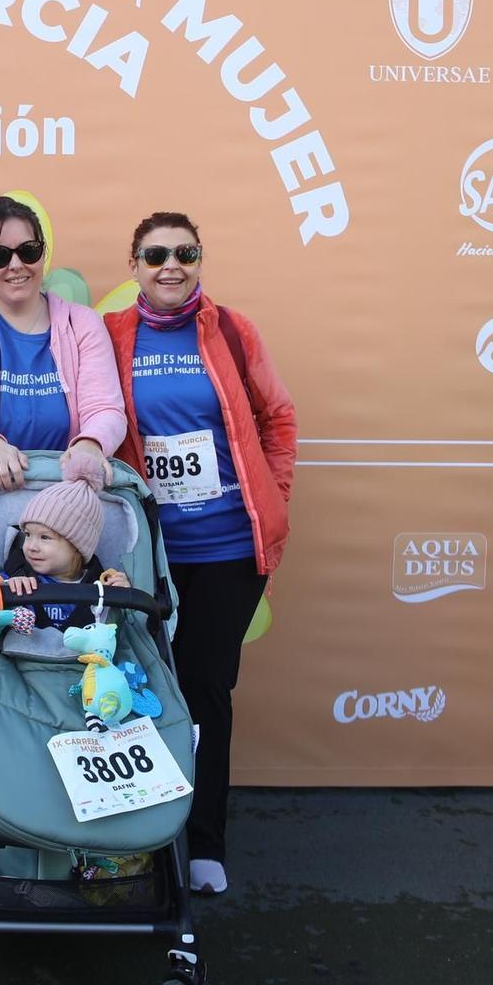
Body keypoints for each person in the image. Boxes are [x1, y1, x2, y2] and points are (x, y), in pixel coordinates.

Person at [102, 212, 296, 896]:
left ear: (199, 259)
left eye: (184, 253)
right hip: (146, 550)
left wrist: (273, 496)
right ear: (134, 265)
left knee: (208, 688)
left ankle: (205, 839)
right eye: (155, 254)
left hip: (224, 549)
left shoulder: (232, 332)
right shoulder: (111, 334)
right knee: (135, 690)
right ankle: (140, 832)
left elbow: (278, 417)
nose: (170, 265)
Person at [0, 195, 126, 490]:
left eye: (28, 251)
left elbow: (105, 409)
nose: (16, 265)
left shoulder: (83, 324)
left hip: (71, 496)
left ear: (43, 253)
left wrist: (91, 443)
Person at [0, 451, 131, 630]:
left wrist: (125, 596)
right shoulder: (19, 576)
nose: (30, 547)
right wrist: (6, 588)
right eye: (27, 535)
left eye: (45, 537)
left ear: (78, 546)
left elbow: (126, 631)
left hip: (88, 657)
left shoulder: (101, 585)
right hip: (22, 654)